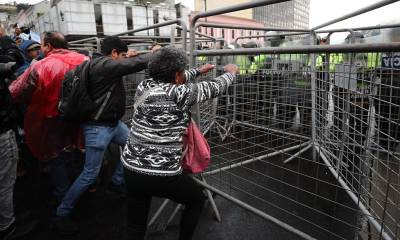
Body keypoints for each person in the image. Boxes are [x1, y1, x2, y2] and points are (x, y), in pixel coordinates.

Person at [121, 47, 239, 240]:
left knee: (135, 223)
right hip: (162, 174)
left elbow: (176, 77)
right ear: (176, 75)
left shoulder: (145, 86)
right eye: (181, 73)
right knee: (196, 201)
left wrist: (198, 71)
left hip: (131, 168)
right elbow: (214, 87)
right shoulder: (180, 93)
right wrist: (230, 72)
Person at [54, 36, 159, 235]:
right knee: (89, 174)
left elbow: (126, 63)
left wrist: (129, 57)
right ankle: (62, 212)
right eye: (121, 55)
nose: (122, 59)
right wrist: (156, 54)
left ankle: (116, 183)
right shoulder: (102, 66)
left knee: (133, 146)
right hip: (98, 128)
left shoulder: (99, 63)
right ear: (113, 54)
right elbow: (132, 65)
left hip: (112, 124)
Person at [9, 31, 87, 209]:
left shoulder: (40, 66)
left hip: (52, 117)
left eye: (42, 45)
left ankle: (63, 193)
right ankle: (84, 186)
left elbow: (17, 91)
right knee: (78, 147)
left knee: (56, 155)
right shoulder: (84, 60)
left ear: (49, 46)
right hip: (79, 115)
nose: (40, 49)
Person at [0, 25, 36, 240]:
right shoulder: (13, 56)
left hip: (8, 124)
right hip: (2, 129)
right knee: (5, 180)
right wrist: (5, 39)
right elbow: (16, 62)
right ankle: (8, 226)